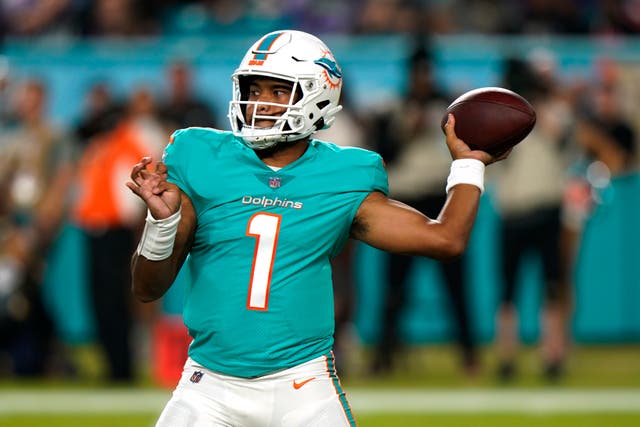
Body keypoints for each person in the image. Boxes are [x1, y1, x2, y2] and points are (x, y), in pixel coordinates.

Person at [127, 30, 510, 426]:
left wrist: (468, 165)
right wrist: (162, 222)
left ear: (318, 95)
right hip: (208, 387)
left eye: (278, 92)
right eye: (254, 88)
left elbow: (445, 239)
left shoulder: (344, 174)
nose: (260, 102)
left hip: (303, 389)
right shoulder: (200, 156)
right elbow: (146, 288)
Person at [368, 42, 479, 378]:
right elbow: (381, 154)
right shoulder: (393, 107)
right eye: (418, 72)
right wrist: (405, 130)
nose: (423, 78)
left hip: (438, 194)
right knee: (394, 286)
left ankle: (468, 354)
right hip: (403, 197)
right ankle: (384, 354)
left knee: (456, 282)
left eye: (427, 71)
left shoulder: (451, 106)